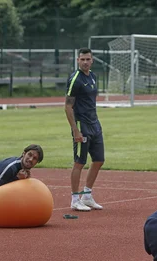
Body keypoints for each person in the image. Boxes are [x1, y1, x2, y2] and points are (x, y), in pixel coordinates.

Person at [65, 48, 104, 212]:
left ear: (92, 60)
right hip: (82, 126)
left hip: (95, 124)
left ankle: (87, 196)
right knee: (79, 162)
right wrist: (75, 130)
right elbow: (68, 107)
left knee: (99, 160)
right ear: (77, 60)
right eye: (82, 59)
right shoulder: (75, 79)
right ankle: (75, 198)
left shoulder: (93, 77)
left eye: (88, 59)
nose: (85, 62)